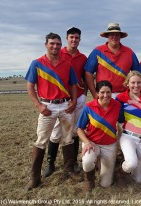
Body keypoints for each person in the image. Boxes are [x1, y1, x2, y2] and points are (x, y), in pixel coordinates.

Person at [25, 32, 80, 190]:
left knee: (68, 138)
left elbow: (73, 85)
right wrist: (38, 105)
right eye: (52, 44)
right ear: (46, 45)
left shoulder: (66, 64)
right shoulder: (37, 63)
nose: (55, 46)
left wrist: (74, 101)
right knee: (41, 140)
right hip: (46, 106)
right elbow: (30, 86)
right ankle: (34, 177)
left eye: (57, 44)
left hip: (65, 105)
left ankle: (69, 170)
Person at [43, 27, 87, 177]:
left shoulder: (82, 57)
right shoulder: (58, 53)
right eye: (71, 37)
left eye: (76, 38)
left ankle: (72, 162)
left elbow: (86, 75)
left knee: (74, 131)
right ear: (67, 39)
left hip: (78, 98)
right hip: (60, 100)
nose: (74, 40)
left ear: (80, 39)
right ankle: (50, 163)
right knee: (56, 132)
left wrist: (84, 93)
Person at [77, 80, 123, 191]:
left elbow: (122, 122)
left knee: (105, 184)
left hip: (109, 145)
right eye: (102, 92)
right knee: (87, 161)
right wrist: (87, 143)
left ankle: (100, 164)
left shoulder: (117, 105)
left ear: (112, 93)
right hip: (92, 143)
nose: (105, 95)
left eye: (108, 92)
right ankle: (89, 179)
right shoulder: (89, 107)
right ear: (97, 93)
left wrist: (120, 141)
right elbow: (79, 129)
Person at [85, 23, 140, 99]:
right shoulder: (97, 51)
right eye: (111, 34)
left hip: (124, 95)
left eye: (117, 35)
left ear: (120, 36)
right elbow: (88, 72)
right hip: (104, 95)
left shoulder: (129, 52)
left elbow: (137, 73)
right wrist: (94, 93)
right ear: (107, 36)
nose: (114, 37)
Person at [115, 71, 141, 184]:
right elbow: (117, 116)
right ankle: (120, 173)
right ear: (127, 84)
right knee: (131, 163)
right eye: (133, 83)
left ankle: (128, 167)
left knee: (138, 179)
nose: (136, 85)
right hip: (128, 136)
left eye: (139, 82)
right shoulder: (120, 97)